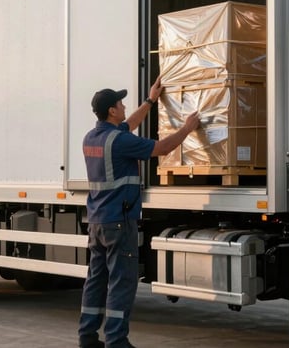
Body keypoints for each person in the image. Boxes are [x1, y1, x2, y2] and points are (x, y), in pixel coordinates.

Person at [78, 76, 200, 348]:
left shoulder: (92, 138)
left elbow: (128, 125)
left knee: (96, 280)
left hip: (97, 221)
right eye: (120, 103)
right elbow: (162, 148)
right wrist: (187, 128)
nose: (123, 106)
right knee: (122, 282)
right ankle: (116, 340)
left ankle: (87, 336)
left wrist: (150, 101)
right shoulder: (119, 142)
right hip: (119, 222)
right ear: (111, 110)